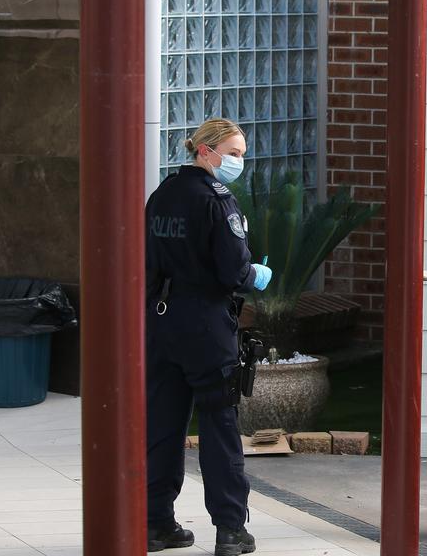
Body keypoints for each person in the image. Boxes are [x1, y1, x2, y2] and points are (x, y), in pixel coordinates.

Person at [145, 118, 271, 556]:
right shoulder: (219, 202)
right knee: (219, 424)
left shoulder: (162, 195)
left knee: (162, 424)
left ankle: (156, 523)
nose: (240, 162)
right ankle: (231, 530)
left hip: (161, 320)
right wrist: (256, 273)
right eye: (233, 153)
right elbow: (234, 270)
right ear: (205, 151)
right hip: (206, 323)